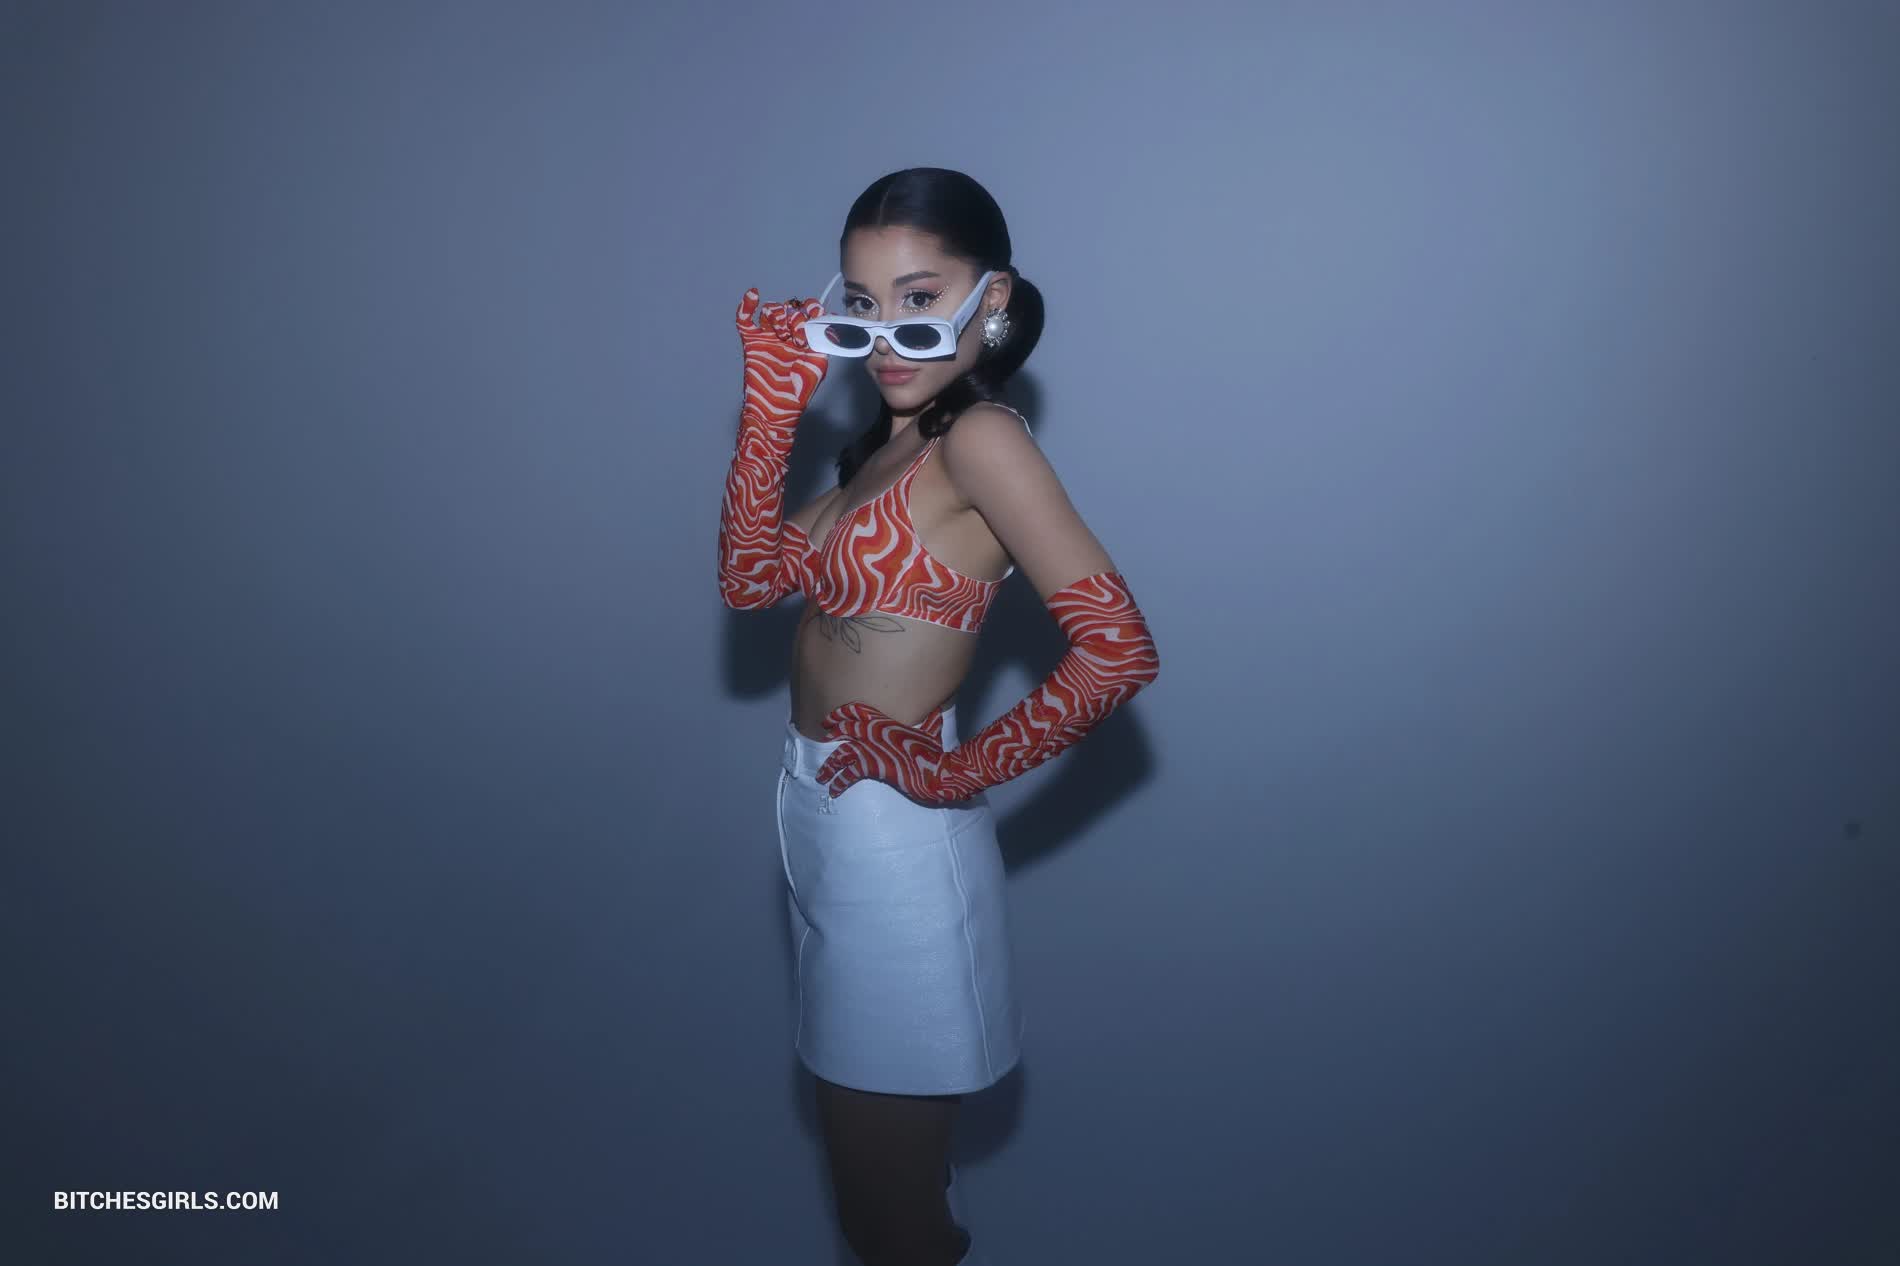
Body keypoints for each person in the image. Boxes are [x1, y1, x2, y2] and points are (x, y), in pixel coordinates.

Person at [716, 168, 1161, 1266]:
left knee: (890, 1221)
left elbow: (1118, 650)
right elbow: (750, 580)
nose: (886, 335)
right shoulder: (892, 445)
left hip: (892, 848)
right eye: (862, 304)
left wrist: (951, 775)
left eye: (919, 299)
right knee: (885, 1203)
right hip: (819, 817)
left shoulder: (981, 441)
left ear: (990, 297)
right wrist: (770, 409)